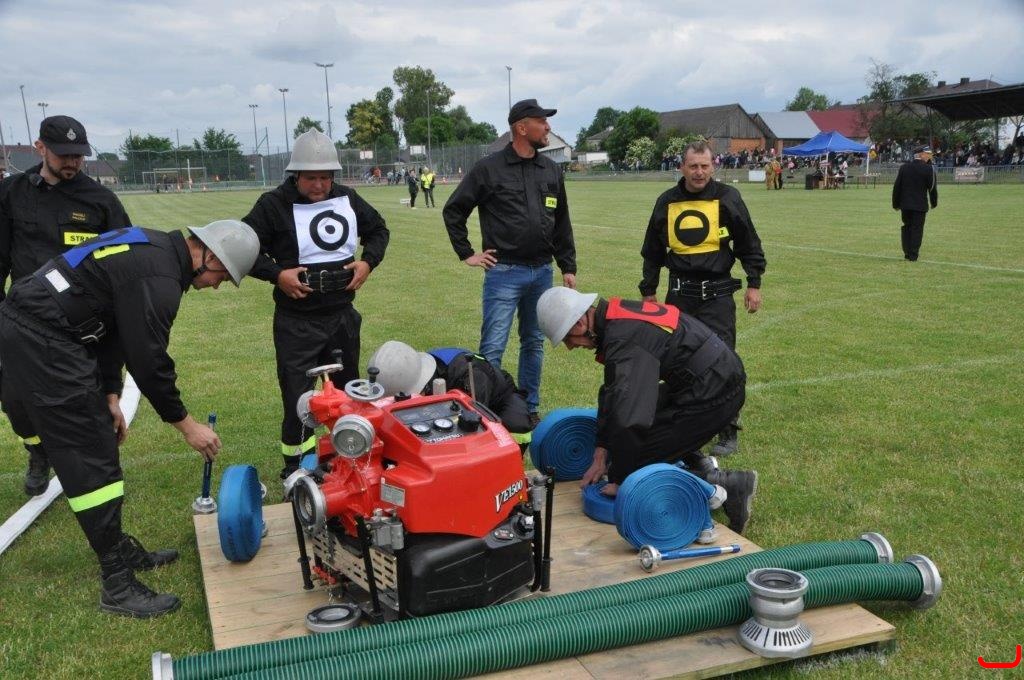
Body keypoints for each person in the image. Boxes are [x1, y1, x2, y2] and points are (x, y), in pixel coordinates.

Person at [0, 219, 259, 617]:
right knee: (91, 455)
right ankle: (117, 583)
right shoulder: (161, 279)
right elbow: (149, 362)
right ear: (208, 255)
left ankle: (116, 548)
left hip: (41, 326)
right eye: (222, 276)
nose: (217, 286)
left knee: (98, 440)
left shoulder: (153, 247)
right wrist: (186, 425)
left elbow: (110, 328)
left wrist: (109, 393)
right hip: (44, 340)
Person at [536, 287, 758, 534]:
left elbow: (631, 417)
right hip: (702, 379)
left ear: (579, 324)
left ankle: (731, 486)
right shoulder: (615, 318)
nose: (570, 347)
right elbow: (613, 391)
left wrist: (622, 478)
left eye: (567, 339)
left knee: (636, 461)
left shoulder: (624, 340)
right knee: (626, 446)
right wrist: (601, 449)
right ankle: (700, 465)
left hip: (717, 391)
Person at [242, 129, 390, 479]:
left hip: (341, 317)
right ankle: (296, 469)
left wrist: (368, 262)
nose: (320, 185)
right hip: (296, 322)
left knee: (349, 396)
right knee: (298, 400)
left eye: (326, 177)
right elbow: (244, 246)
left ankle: (348, 463)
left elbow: (378, 230)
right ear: (296, 174)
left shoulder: (347, 198)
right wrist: (277, 274)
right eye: (311, 178)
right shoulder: (272, 205)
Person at [0, 115, 132, 497]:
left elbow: (122, 266)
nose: (73, 162)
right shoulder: (11, 193)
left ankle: (100, 467)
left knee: (91, 403)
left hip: (80, 325)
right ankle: (38, 451)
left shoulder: (101, 201)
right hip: (23, 322)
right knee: (15, 399)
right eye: (63, 155)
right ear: (40, 148)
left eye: (79, 155)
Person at [442, 98, 577, 425]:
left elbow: (561, 221)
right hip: (504, 273)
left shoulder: (550, 170)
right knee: (492, 348)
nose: (548, 127)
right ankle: (486, 414)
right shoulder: (489, 169)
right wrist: (467, 253)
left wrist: (568, 266)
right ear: (521, 127)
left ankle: (528, 408)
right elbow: (454, 210)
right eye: (542, 121)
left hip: (542, 272)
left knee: (534, 343)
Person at [638, 140, 765, 457]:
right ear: (682, 167)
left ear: (713, 166)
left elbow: (748, 242)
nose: (699, 172)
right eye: (693, 166)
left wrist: (754, 283)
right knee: (677, 360)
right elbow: (652, 251)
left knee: (725, 362)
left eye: (704, 166)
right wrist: (649, 291)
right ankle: (682, 422)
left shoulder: (728, 198)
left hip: (717, 297)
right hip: (679, 296)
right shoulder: (667, 202)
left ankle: (728, 428)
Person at [367, 340, 533, 439]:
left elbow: (473, 423)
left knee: (516, 427)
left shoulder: (472, 377)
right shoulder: (410, 369)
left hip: (496, 402)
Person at [892, 145, 938, 261]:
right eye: (928, 154)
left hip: (905, 205)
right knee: (917, 229)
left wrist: (896, 204)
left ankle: (907, 253)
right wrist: (933, 202)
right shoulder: (929, 169)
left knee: (907, 227)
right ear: (921, 154)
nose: (929, 157)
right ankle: (913, 254)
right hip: (920, 205)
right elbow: (932, 188)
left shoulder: (904, 168)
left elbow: (897, 187)